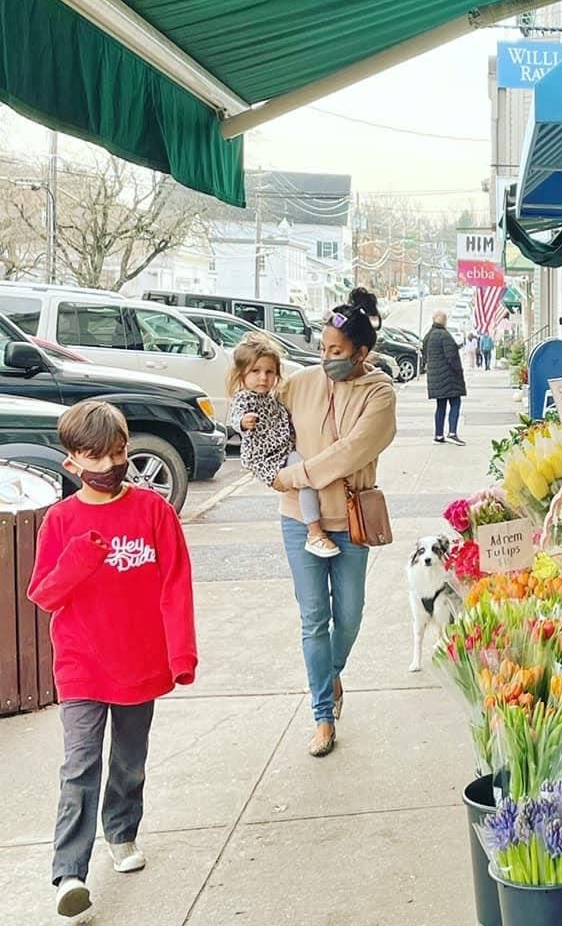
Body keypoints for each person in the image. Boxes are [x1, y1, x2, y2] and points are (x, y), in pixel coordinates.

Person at [28, 401, 196, 919]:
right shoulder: (61, 519)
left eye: (117, 453)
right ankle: (69, 873)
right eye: (94, 457)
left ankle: (121, 832)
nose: (108, 466)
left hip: (139, 661)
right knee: (80, 765)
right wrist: (80, 556)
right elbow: (44, 594)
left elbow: (176, 584)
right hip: (81, 662)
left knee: (129, 761)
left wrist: (180, 652)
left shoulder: (154, 511)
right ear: (72, 459)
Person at [272, 287, 397, 758]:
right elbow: (263, 410)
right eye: (323, 349)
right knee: (313, 620)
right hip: (298, 520)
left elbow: (352, 452)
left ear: (362, 353)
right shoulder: (301, 382)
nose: (327, 359)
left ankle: (330, 671)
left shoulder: (379, 393)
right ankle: (323, 716)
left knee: (348, 616)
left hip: (350, 519)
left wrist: (293, 475)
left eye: (337, 352)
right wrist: (261, 455)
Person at [228, 332, 338, 558]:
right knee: (305, 477)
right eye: (255, 371)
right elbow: (235, 417)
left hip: (283, 451)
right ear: (241, 375)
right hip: (267, 458)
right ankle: (314, 532)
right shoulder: (245, 398)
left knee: (305, 475)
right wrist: (243, 422)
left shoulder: (272, 396)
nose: (263, 378)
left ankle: (315, 530)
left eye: (269, 372)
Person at [423, 310, 467, 446]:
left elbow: (425, 355)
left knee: (440, 406)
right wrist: (459, 372)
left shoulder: (428, 336)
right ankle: (452, 433)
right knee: (455, 403)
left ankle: (438, 434)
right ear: (444, 321)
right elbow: (452, 357)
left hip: (435, 378)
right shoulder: (444, 335)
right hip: (449, 378)